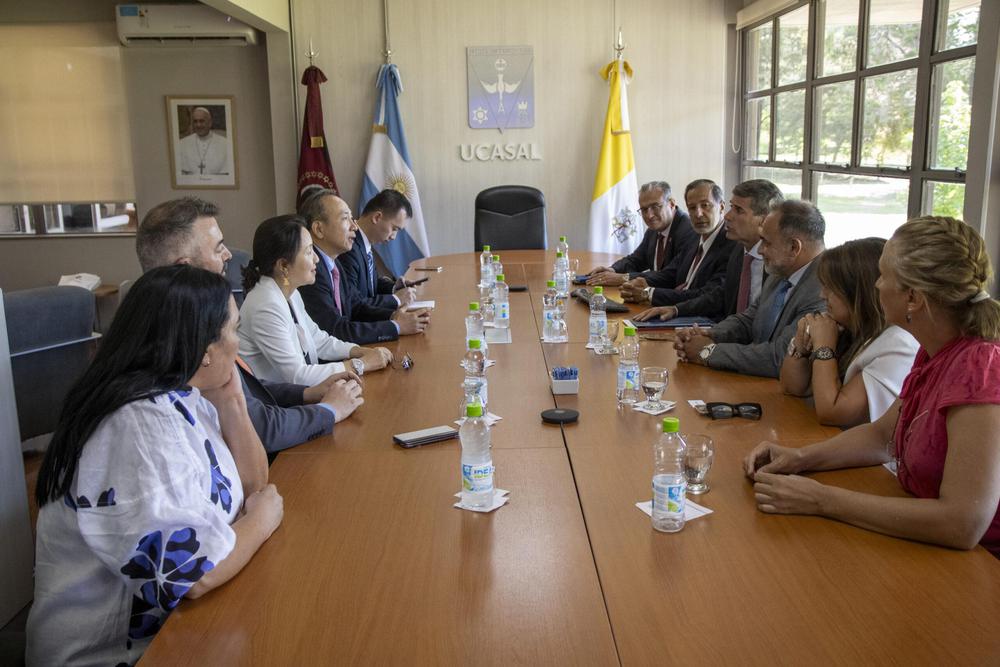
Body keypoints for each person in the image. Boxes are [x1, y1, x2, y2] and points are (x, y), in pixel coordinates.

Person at [27, 266, 283, 665]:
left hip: (183, 629)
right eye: (234, 329)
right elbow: (190, 576)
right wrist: (262, 522)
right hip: (115, 655)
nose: (239, 343)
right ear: (204, 348)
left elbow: (253, 489)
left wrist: (233, 401)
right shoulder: (136, 425)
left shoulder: (184, 391)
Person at [745, 216, 1000, 557]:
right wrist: (800, 458)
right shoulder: (934, 351)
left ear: (913, 298)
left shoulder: (979, 369)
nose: (876, 285)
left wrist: (821, 499)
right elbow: (883, 436)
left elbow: (963, 522)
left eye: (883, 276)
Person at [136, 197, 362, 454]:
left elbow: (251, 390)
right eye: (218, 247)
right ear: (183, 269)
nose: (229, 255)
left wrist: (307, 393)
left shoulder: (181, 318)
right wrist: (330, 410)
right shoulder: (178, 338)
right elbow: (260, 425)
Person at [674, 199, 827, 378]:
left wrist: (707, 351)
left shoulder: (824, 289)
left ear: (794, 247)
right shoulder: (781, 272)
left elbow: (778, 357)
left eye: (766, 242)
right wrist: (706, 334)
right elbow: (748, 320)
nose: (760, 250)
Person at [239, 215, 393, 385]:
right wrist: (362, 364)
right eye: (308, 251)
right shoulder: (265, 306)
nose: (316, 259)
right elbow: (298, 376)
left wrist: (358, 351)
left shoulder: (291, 293)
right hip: (276, 404)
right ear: (283, 266)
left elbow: (318, 340)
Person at [780, 238, 918, 427]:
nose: (822, 295)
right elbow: (792, 387)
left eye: (830, 288)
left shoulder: (897, 343)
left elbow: (833, 412)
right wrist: (800, 344)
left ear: (858, 292)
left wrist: (824, 348)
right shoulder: (846, 328)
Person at [634, 179, 781, 323]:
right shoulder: (739, 251)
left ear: (764, 219)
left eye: (738, 210)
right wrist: (675, 309)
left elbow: (715, 299)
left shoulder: (776, 263)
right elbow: (719, 295)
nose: (728, 216)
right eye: (692, 208)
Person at [298, 189, 429, 344]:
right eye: (345, 219)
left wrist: (393, 317)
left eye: (352, 218)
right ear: (319, 229)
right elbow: (335, 330)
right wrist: (396, 326)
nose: (354, 226)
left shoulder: (335, 264)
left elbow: (356, 306)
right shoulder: (311, 273)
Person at [621, 179, 736, 311]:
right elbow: (671, 273)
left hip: (700, 320)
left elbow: (707, 296)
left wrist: (648, 293)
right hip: (678, 311)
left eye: (705, 205)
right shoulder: (694, 236)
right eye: (692, 208)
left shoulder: (731, 245)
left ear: (721, 206)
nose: (698, 214)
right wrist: (641, 283)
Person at [586, 180, 696, 286]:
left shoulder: (688, 229)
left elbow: (670, 275)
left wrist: (624, 278)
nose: (649, 215)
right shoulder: (653, 230)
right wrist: (612, 269)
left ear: (671, 204)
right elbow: (636, 259)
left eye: (655, 207)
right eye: (644, 209)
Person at [339, 188, 419, 309]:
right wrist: (396, 299)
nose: (393, 237)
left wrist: (395, 287)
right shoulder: (348, 248)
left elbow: (370, 285)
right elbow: (354, 304)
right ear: (377, 217)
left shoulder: (364, 243)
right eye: (394, 229)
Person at [178, 106, 233, 176]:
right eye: (195, 121)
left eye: (202, 121)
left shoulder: (225, 144)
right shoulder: (182, 143)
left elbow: (226, 175)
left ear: (210, 123)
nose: (198, 125)